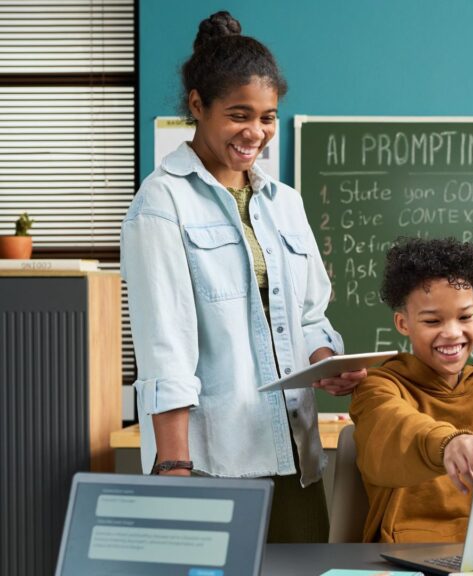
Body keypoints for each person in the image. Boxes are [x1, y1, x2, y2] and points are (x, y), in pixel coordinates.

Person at [121, 11, 362, 543]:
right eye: (239, 115)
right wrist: (174, 466)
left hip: (296, 457)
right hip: (214, 461)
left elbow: (308, 314)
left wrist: (325, 361)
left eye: (269, 117)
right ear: (197, 106)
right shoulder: (161, 204)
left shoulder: (286, 204)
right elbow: (165, 346)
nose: (255, 132)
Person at [350, 237, 473, 543]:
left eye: (465, 317)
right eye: (432, 320)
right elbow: (396, 425)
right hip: (405, 552)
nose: (452, 333)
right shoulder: (377, 388)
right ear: (403, 323)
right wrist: (450, 443)